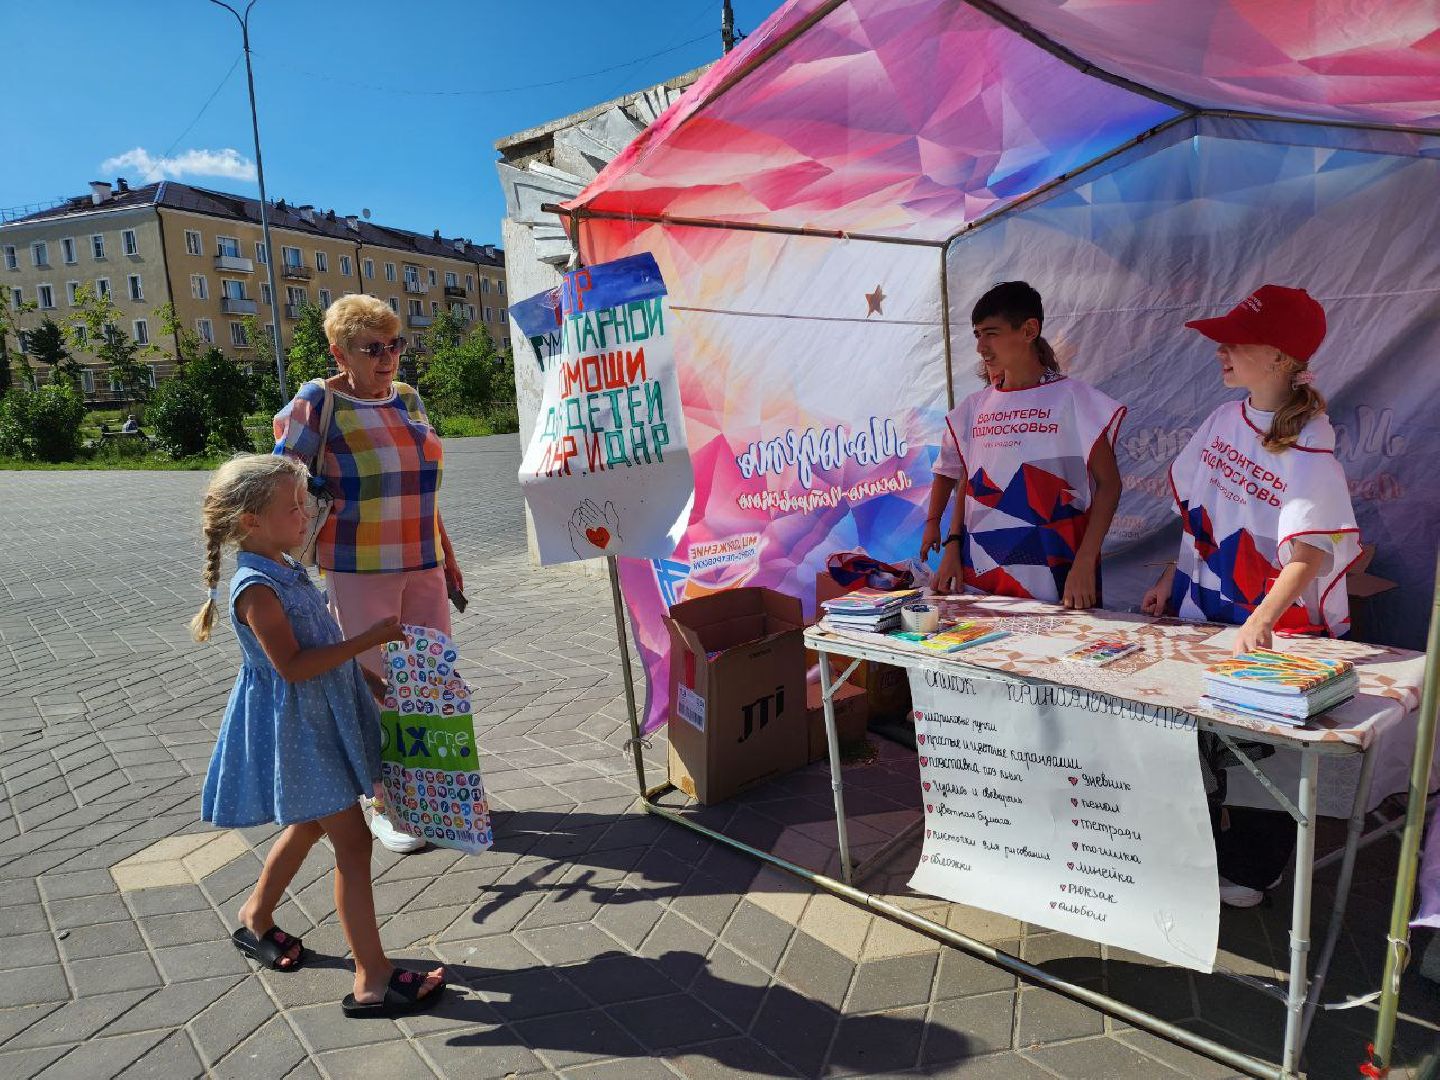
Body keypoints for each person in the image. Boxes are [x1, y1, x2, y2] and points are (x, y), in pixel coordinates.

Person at [191, 454, 446, 1016]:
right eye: (293, 508)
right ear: (251, 520)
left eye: (304, 505)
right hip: (301, 731)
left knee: (309, 823)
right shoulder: (256, 586)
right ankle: (372, 980)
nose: (305, 516)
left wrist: (371, 681)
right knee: (352, 845)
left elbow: (321, 639)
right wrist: (368, 640)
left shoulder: (285, 566)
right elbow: (293, 666)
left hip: (321, 718)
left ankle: (256, 916)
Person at [1141, 284, 1361, 907]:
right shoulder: (1222, 420)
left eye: (1237, 341)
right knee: (1200, 740)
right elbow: (1200, 519)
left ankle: (1252, 871)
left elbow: (1312, 554)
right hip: (1205, 606)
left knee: (1267, 758)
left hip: (1272, 625)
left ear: (1282, 358)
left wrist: (1260, 620)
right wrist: (1167, 576)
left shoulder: (1312, 444)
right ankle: (1198, 852)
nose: (1222, 351)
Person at [274, 294, 462, 854]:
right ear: (340, 352)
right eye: (371, 348)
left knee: (430, 680)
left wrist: (447, 554)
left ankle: (433, 790)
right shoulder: (316, 403)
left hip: (422, 562)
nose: (388, 357)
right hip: (359, 567)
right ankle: (383, 800)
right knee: (375, 685)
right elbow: (283, 484)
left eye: (394, 344)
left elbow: (423, 487)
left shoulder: (407, 397)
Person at [923, 281, 1124, 607]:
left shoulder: (1074, 399)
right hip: (982, 573)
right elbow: (969, 483)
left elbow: (1110, 485)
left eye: (991, 333)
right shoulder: (974, 407)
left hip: (1059, 573)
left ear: (1029, 330)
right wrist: (952, 546)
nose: (981, 346)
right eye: (977, 335)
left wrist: (1085, 561)